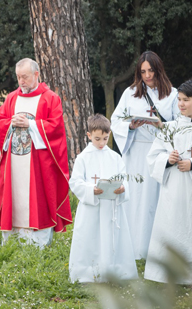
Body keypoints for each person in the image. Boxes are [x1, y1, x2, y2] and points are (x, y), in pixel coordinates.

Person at [0, 58, 71, 247]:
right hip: (15, 164)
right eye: (18, 77)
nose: (21, 82)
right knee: (14, 197)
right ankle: (12, 243)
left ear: (36, 75)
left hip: (39, 165)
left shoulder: (50, 98)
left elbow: (57, 128)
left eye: (25, 77)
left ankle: (39, 244)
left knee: (39, 200)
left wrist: (31, 124)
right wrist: (10, 123)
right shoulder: (11, 98)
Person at [110, 51, 178, 259]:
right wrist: (130, 125)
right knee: (136, 199)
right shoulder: (130, 93)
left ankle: (155, 249)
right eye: (143, 71)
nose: (147, 75)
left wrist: (160, 125)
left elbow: (181, 124)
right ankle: (133, 247)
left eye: (151, 70)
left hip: (158, 152)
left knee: (155, 200)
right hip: (135, 152)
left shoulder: (173, 95)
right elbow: (115, 120)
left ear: (159, 69)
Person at [68, 114, 137, 283]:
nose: (101, 143)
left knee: (111, 239)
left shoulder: (115, 157)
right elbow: (75, 182)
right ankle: (87, 273)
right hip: (91, 208)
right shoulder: (83, 158)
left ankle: (114, 270)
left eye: (105, 139)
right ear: (89, 135)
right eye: (97, 139)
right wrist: (91, 189)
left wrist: (122, 188)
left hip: (111, 208)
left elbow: (124, 179)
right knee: (90, 239)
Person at [145, 79, 192, 284]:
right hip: (172, 189)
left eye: (186, 100)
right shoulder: (170, 128)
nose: (181, 104)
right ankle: (168, 272)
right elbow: (152, 157)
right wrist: (168, 160)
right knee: (173, 226)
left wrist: (191, 163)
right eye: (179, 100)